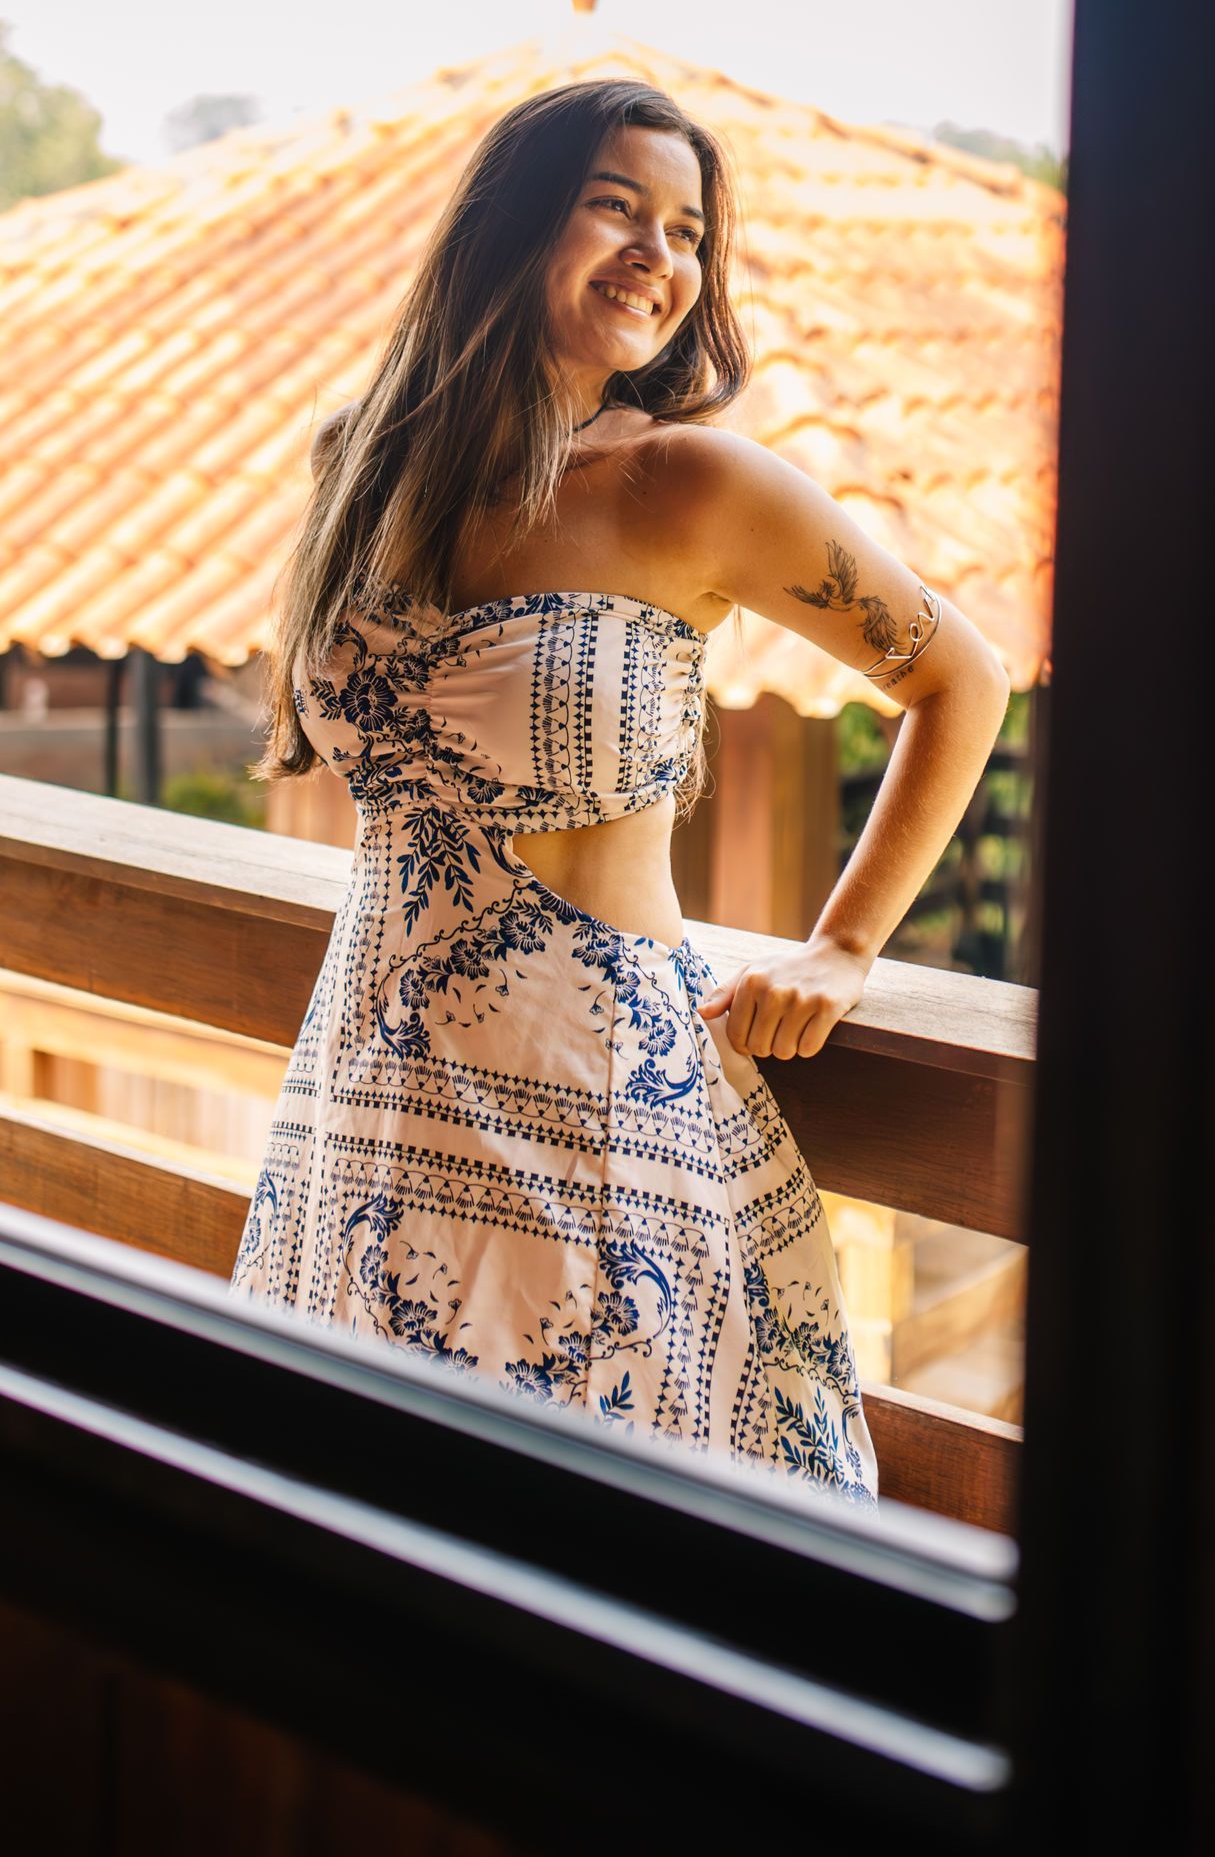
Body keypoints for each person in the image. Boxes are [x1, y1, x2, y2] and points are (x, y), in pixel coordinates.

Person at [230, 80, 1011, 1501]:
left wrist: (843, 945)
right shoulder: (364, 466)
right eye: (615, 206)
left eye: (689, 229)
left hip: (591, 1114)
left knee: (582, 1551)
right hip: (367, 1096)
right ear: (511, 227)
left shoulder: (688, 486)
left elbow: (963, 679)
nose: (661, 252)